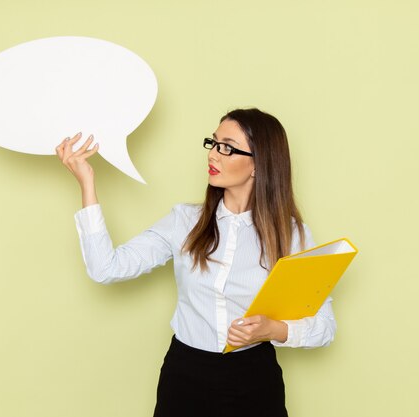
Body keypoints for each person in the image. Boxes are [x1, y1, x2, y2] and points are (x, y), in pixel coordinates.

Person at [56, 108, 337, 417]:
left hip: (255, 380)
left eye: (227, 147)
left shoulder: (292, 235)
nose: (213, 155)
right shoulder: (184, 222)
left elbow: (323, 327)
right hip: (186, 378)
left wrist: (273, 330)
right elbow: (105, 268)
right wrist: (87, 183)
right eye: (213, 143)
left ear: (259, 164)